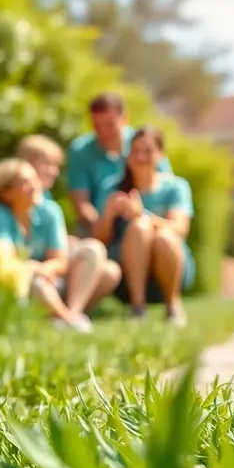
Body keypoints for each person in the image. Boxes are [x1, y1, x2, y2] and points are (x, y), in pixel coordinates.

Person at [0, 158, 120, 332]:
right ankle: (68, 320)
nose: (35, 186)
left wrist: (44, 270)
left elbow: (60, 260)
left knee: (94, 251)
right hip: (23, 286)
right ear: (7, 193)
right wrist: (38, 271)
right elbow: (9, 262)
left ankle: (72, 313)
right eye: (25, 182)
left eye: (35, 179)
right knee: (38, 284)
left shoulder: (50, 210)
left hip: (50, 279)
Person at [93, 126, 194, 327]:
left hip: (171, 271)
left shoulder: (176, 187)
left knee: (161, 235)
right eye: (135, 150)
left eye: (147, 151)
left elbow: (180, 228)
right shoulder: (113, 188)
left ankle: (173, 305)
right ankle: (137, 307)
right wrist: (109, 215)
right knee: (139, 228)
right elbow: (98, 241)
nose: (140, 156)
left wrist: (142, 215)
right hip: (125, 279)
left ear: (161, 155)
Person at [16, 134, 122, 312]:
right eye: (48, 165)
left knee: (109, 270)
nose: (55, 172)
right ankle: (65, 315)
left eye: (56, 166)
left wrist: (64, 244)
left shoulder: (47, 202)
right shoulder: (12, 203)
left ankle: (71, 313)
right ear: (28, 165)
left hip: (49, 270)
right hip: (29, 274)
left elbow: (55, 254)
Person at [67, 92, 172, 236]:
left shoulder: (143, 142)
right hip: (97, 224)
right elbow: (82, 204)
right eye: (97, 125)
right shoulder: (80, 151)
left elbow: (167, 187)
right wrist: (106, 225)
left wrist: (142, 217)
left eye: (110, 125)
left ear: (124, 119)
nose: (103, 132)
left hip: (148, 223)